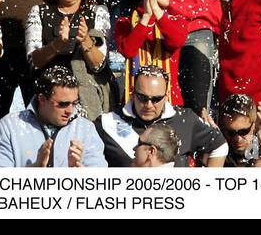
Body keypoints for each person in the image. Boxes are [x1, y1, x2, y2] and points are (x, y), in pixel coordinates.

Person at [25, 0, 112, 118]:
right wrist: (56, 46)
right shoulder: (38, 12)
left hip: (87, 101)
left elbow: (99, 65)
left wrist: (86, 41)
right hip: (50, 101)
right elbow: (33, 62)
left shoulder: (98, 12)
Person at [95, 66, 226, 168]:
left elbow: (219, 145)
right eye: (142, 97)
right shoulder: (108, 123)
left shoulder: (186, 120)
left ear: (166, 96)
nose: (148, 105)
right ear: (133, 93)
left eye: (156, 99)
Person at [0, 66, 107, 168]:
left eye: (74, 103)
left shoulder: (85, 129)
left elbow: (102, 183)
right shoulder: (9, 127)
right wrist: (35, 169)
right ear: (42, 99)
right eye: (63, 104)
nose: (70, 110)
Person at [114, 0, 189, 107]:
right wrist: (147, 17)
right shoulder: (124, 24)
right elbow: (129, 50)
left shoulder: (176, 21)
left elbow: (176, 40)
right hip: (134, 105)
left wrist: (156, 10)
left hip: (169, 105)